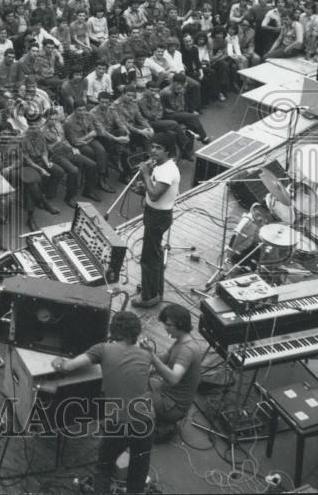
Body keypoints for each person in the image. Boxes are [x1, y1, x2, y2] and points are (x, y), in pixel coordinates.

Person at [51, 311, 155, 495]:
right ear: (136, 332)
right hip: (146, 423)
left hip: (119, 423)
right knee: (138, 476)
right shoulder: (146, 356)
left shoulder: (103, 349)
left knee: (104, 469)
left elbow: (69, 367)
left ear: (114, 331)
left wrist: (58, 363)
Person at [132, 132, 180, 309]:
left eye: (158, 148)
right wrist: (143, 188)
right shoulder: (160, 166)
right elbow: (152, 192)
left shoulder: (168, 170)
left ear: (167, 151)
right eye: (152, 147)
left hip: (158, 217)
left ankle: (149, 296)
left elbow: (155, 194)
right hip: (153, 213)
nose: (153, 151)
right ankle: (153, 288)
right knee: (155, 255)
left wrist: (145, 174)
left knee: (148, 258)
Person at [146, 303, 204, 442]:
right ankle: (161, 422)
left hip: (173, 407)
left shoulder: (187, 350)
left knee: (132, 396)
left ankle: (164, 423)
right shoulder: (180, 341)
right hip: (168, 395)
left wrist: (151, 356)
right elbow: (162, 359)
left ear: (181, 324)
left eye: (169, 325)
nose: (165, 328)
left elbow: (173, 379)